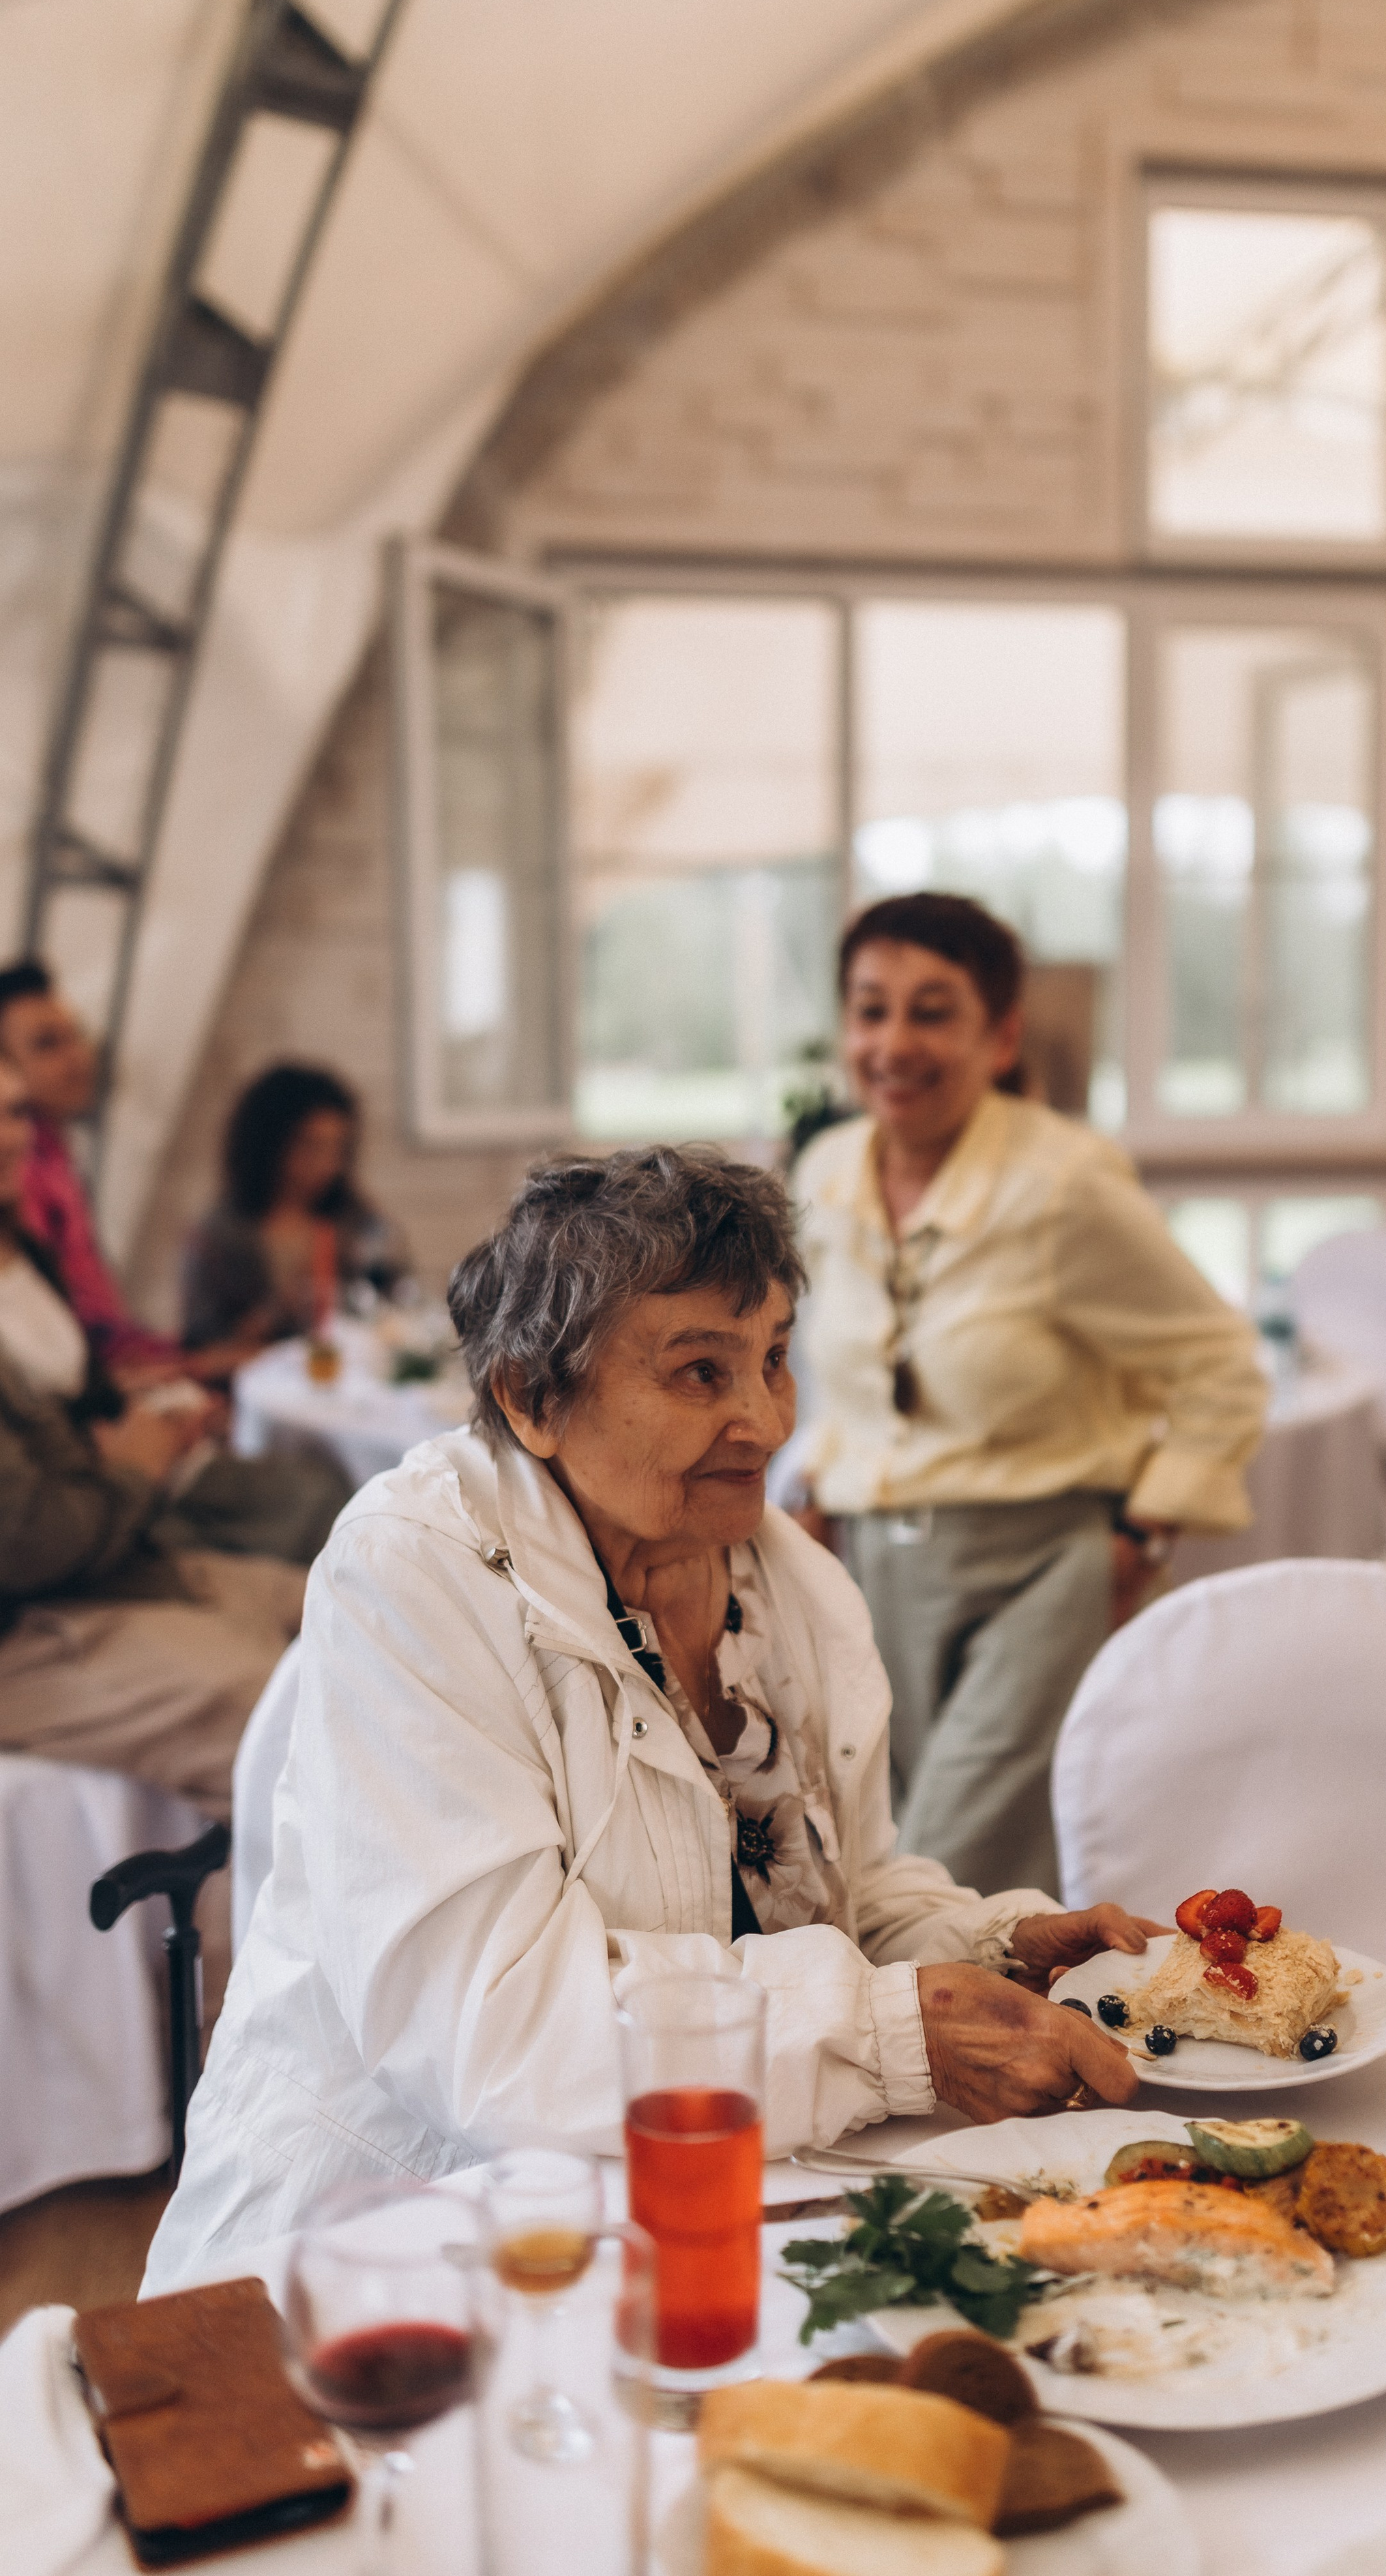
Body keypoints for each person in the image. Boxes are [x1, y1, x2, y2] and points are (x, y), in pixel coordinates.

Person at [145, 1147, 1160, 2284]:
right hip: (394, 2243)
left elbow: (835, 1894)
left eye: (774, 1359)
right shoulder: (415, 1573)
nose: (764, 1420)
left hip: (701, 2206)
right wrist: (892, 2032)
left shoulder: (790, 1584)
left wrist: (991, 1949)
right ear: (532, 1397)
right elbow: (499, 2038)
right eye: (699, 1373)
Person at [788, 893, 1269, 1899]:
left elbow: (1221, 1364)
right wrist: (820, 1484)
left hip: (1039, 1573)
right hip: (874, 1574)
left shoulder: (1063, 1182)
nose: (894, 1042)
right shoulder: (827, 1171)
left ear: (1000, 1037)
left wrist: (1143, 1533)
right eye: (871, 1010)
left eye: (932, 1012)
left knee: (942, 1868)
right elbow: (845, 1375)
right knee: (885, 1856)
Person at [0, 1066, 306, 1820]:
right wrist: (136, 1466)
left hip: (113, 1563)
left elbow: (83, 1405)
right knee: (293, 1724)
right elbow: (30, 1544)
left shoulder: (24, 1249)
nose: (11, 1136)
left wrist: (150, 1418)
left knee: (358, 1598)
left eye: (15, 1111)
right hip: (32, 1628)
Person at [0, 959, 187, 1381]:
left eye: (76, 1036)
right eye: (47, 1045)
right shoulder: (19, 1173)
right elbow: (53, 1347)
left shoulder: (54, 1155)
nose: (77, 1058)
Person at [181, 1063, 408, 1352]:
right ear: (268, 1144)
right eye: (310, 1146)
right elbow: (202, 1346)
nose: (326, 1165)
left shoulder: (358, 1223)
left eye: (337, 1148)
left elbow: (401, 1307)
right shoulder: (218, 1236)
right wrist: (278, 1311)